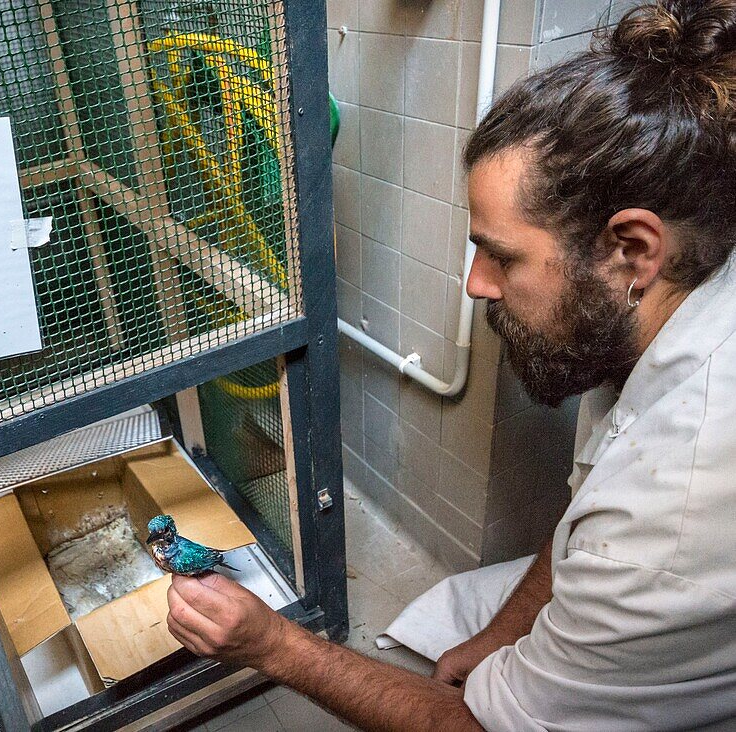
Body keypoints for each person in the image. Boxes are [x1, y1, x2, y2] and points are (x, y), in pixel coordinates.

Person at [165, 1, 736, 728]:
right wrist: (504, 634)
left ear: (630, 250)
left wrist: (274, 645)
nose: (476, 284)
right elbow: (584, 499)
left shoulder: (666, 519)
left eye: (502, 254)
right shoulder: (649, 309)